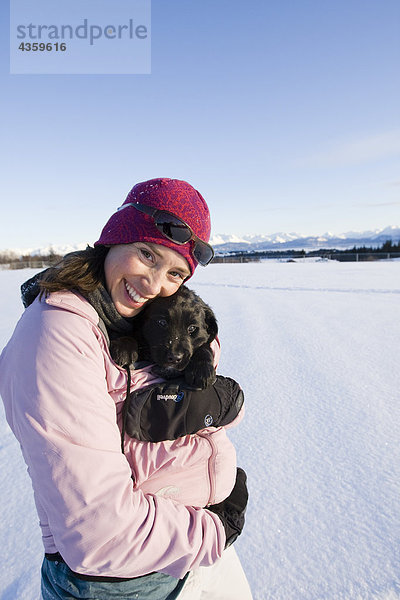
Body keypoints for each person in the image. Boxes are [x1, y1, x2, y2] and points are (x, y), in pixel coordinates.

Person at [0, 177, 252, 600]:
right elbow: (99, 533)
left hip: (180, 547)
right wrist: (215, 530)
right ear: (113, 239)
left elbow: (193, 339)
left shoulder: (128, 312)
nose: (154, 284)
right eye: (147, 254)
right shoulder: (56, 336)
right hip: (123, 582)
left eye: (175, 272)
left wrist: (217, 399)